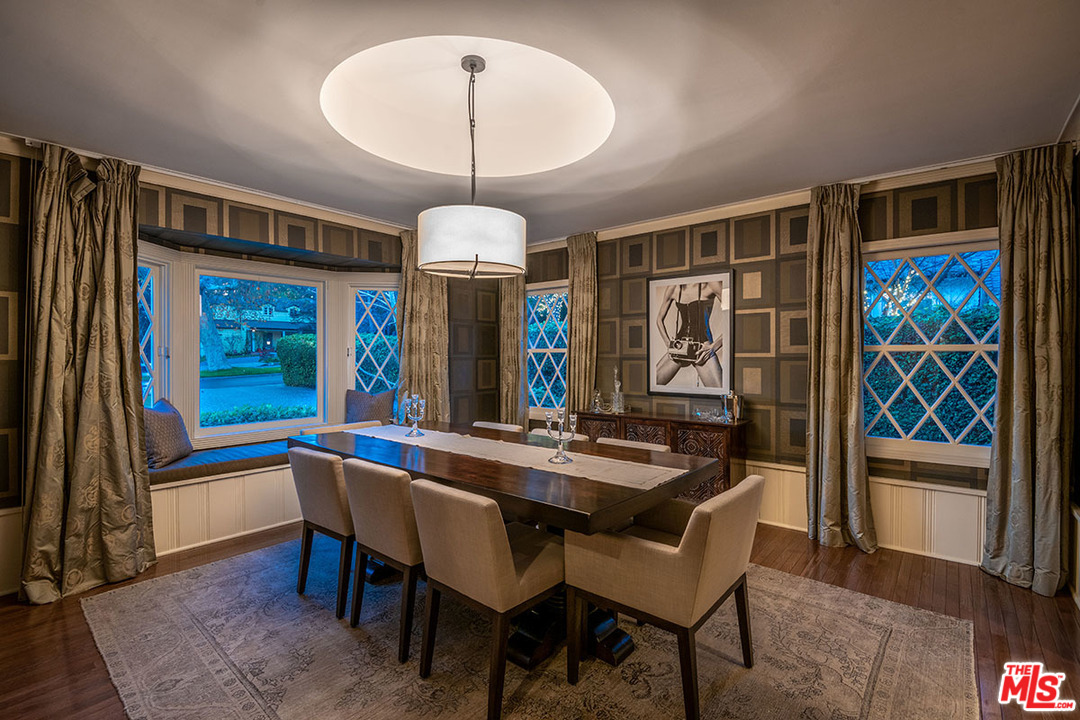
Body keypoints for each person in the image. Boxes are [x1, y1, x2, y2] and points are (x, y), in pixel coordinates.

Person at [654, 281, 724, 387]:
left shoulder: (711, 284)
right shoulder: (674, 287)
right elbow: (659, 319)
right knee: (653, 382)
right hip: (680, 347)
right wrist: (669, 344)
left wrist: (713, 347)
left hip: (701, 349)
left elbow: (733, 316)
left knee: (721, 392)